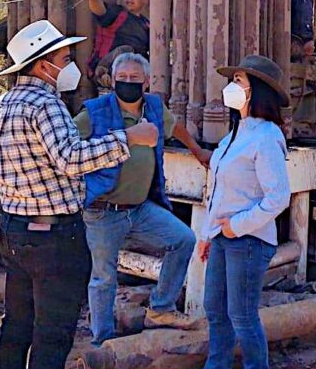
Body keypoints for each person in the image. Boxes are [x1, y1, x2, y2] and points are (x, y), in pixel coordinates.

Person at [0, 20, 159, 369]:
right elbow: (70, 158)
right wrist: (127, 137)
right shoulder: (46, 103)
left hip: (14, 229)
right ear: (42, 63)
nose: (69, 66)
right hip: (54, 237)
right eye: (64, 58)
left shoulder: (1, 105)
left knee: (16, 326)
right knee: (52, 335)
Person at [73, 53, 212, 346]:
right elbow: (68, 146)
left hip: (140, 208)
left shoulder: (153, 107)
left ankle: (161, 308)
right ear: (112, 80)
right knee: (103, 278)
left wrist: (198, 151)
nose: (127, 83)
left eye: (134, 79)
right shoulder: (96, 112)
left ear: (146, 82)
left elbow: (175, 127)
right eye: (121, 78)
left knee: (183, 239)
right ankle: (103, 341)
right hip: (103, 211)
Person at [176, 55, 291, 369]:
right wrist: (208, 235)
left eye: (239, 81)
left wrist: (235, 227)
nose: (231, 87)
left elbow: (278, 197)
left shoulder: (267, 137)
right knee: (216, 310)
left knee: (241, 316)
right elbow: (217, 192)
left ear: (258, 91)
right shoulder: (233, 136)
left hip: (250, 241)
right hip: (225, 238)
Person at [83, 0, 150, 81]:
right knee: (126, 50)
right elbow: (100, 10)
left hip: (133, 73)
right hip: (109, 68)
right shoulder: (117, 12)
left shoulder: (147, 24)